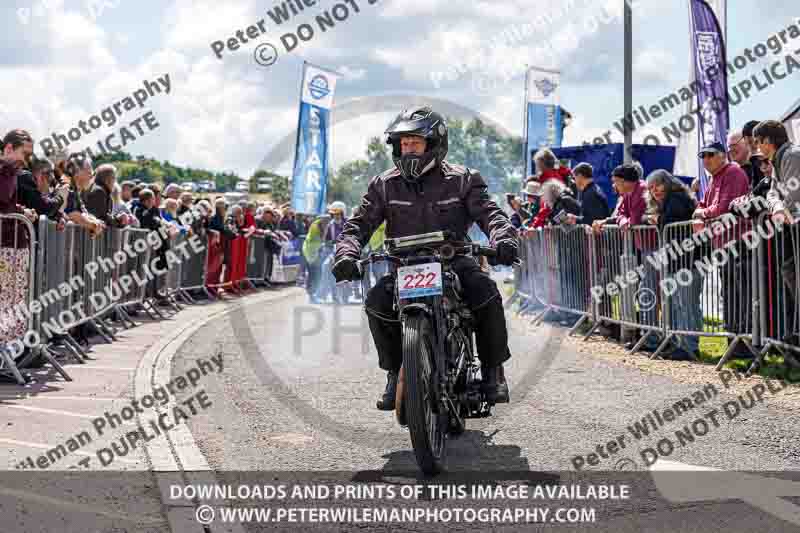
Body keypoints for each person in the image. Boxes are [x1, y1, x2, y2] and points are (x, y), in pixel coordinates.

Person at [332, 106, 518, 408]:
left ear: (434, 145)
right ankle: (395, 373)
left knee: (486, 292)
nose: (409, 151)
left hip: (453, 260)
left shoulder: (463, 179)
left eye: (415, 143)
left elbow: (491, 214)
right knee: (377, 301)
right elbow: (357, 226)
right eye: (404, 144)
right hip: (404, 265)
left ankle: (493, 371)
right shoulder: (383, 184)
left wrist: (503, 238)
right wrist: (346, 254)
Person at [694, 141, 752, 356]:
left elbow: (723, 207)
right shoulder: (714, 178)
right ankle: (733, 344)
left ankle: (745, 346)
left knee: (741, 295)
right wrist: (702, 211)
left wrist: (702, 213)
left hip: (739, 243)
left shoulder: (733, 172)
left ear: (722, 156)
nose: (706, 159)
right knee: (728, 294)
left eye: (710, 155)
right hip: (724, 245)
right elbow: (701, 205)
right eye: (703, 156)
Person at [644, 169, 701, 360]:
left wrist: (657, 219)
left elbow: (673, 219)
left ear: (667, 182)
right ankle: (679, 342)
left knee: (687, 304)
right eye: (651, 188)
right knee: (678, 304)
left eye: (658, 185)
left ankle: (690, 346)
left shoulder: (676, 198)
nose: (655, 190)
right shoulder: (667, 201)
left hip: (688, 259)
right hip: (677, 260)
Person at [83, 163, 132, 228]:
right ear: (108, 179)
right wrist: (118, 221)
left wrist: (117, 218)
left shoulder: (99, 189)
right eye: (114, 178)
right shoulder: (99, 192)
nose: (115, 182)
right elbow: (100, 217)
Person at [567, 162, 610, 227]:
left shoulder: (590, 193)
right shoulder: (593, 189)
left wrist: (575, 219)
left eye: (574, 178)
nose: (574, 181)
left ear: (579, 176)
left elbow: (593, 219)